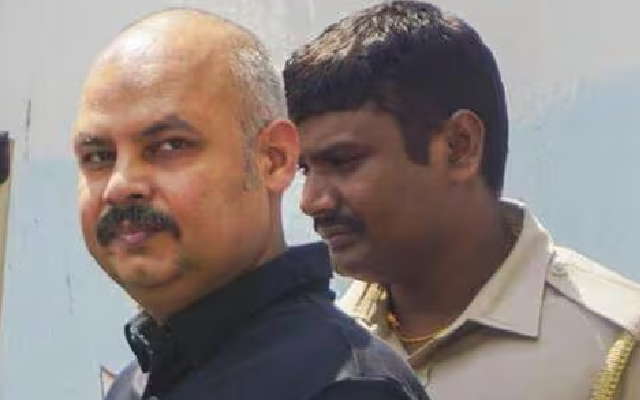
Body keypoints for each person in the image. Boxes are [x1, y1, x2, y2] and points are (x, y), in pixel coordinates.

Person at [284, 1, 640, 399]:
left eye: (342, 162)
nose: (311, 201)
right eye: (305, 170)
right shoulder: (315, 354)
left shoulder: (612, 347)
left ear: (459, 146)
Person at [73, 8, 432, 400]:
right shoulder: (136, 383)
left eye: (169, 146)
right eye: (98, 156)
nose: (120, 186)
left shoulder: (344, 386)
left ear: (273, 159)